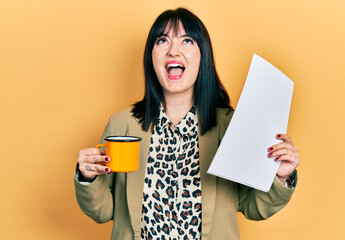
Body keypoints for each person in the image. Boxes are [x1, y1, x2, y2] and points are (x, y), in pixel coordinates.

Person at [75, 7, 300, 240]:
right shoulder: (122, 125)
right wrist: (88, 176)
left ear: (203, 55)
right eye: (162, 40)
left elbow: (252, 206)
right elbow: (103, 210)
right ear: (150, 56)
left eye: (187, 41)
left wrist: (280, 177)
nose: (173, 51)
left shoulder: (230, 126)